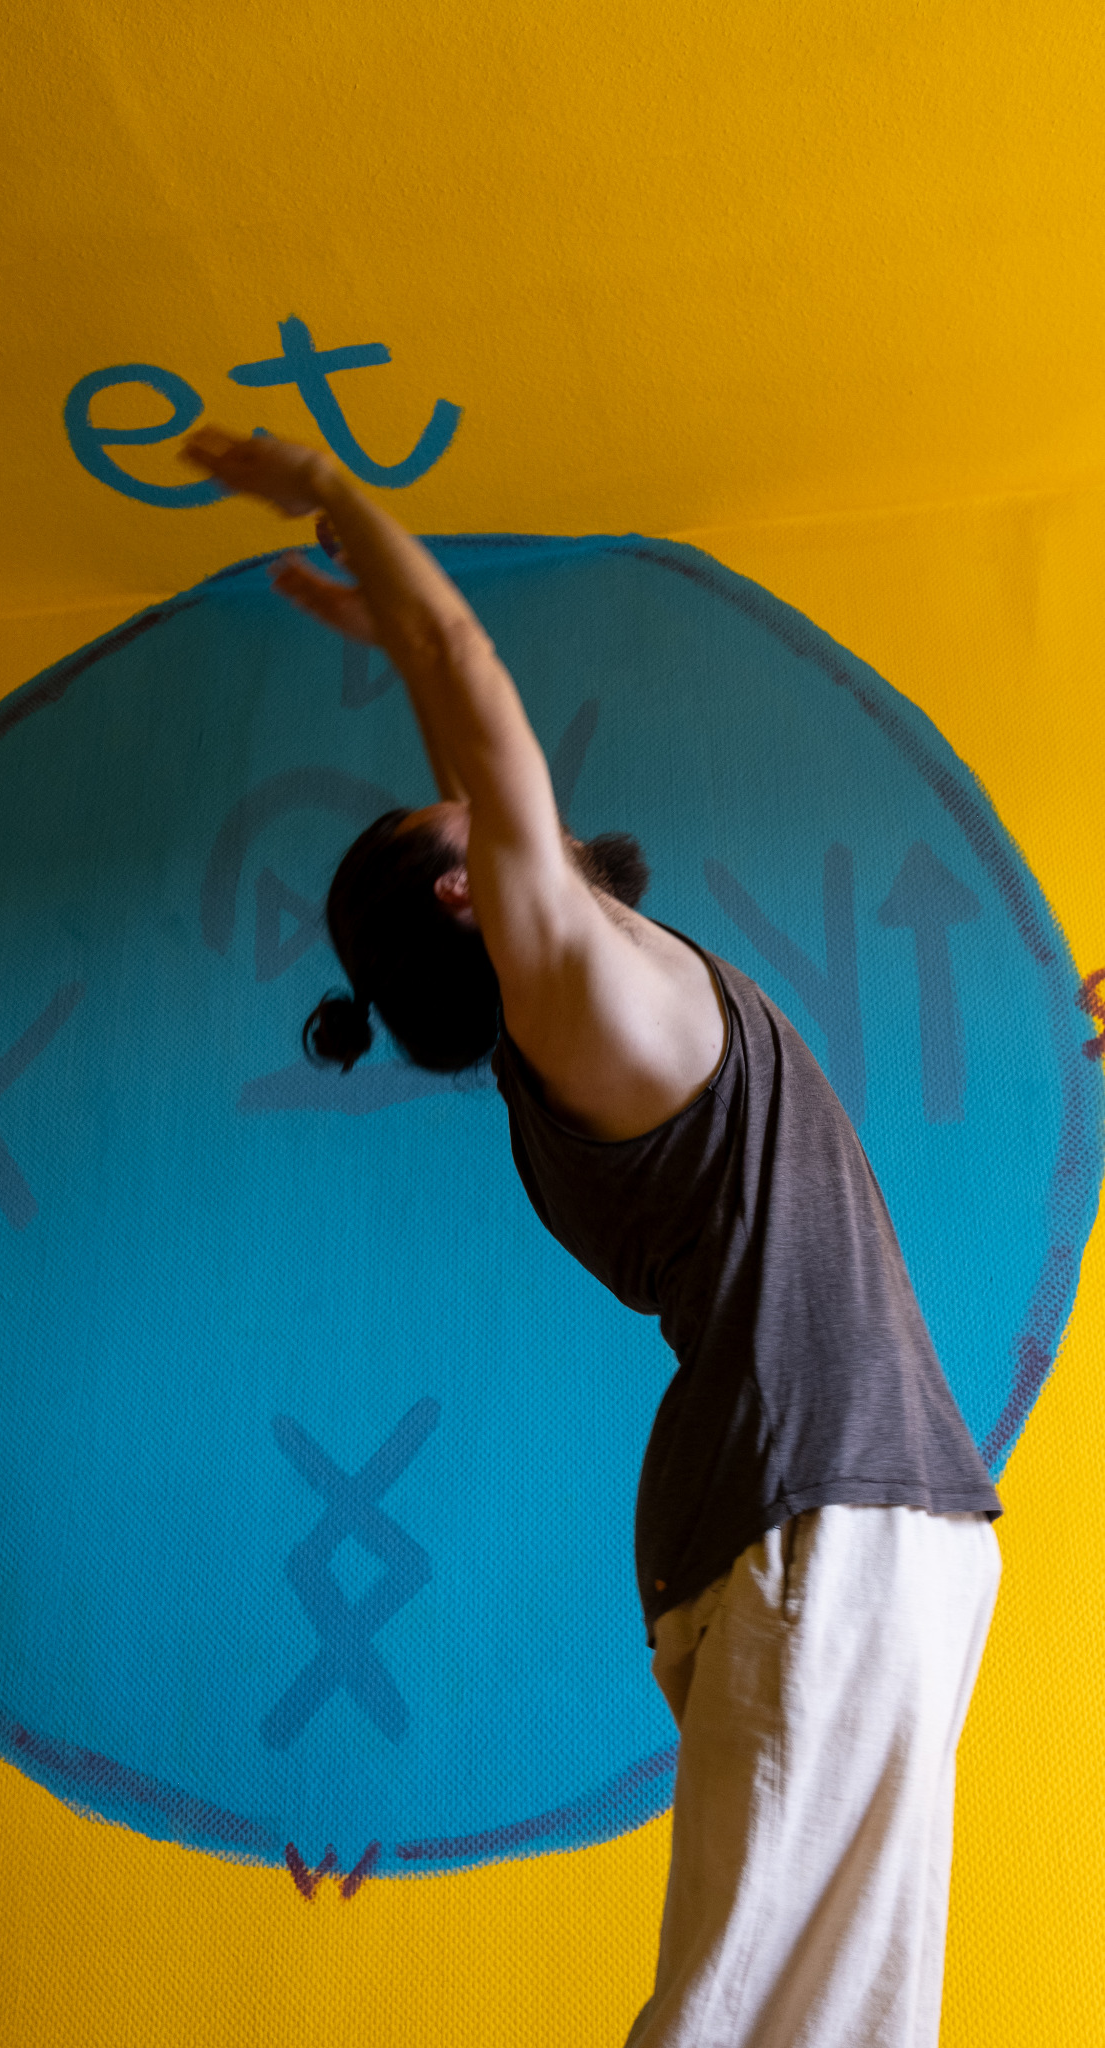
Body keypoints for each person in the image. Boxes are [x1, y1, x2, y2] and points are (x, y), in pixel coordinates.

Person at [182, 425, 1003, 2048]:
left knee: (844, 2021)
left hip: (858, 1518)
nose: (492, 800)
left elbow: (465, 712)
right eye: (467, 822)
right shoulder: (570, 1001)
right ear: (464, 895)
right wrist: (345, 509)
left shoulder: (572, 995)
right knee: (759, 2017)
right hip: (812, 1519)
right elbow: (471, 676)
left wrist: (390, 629)